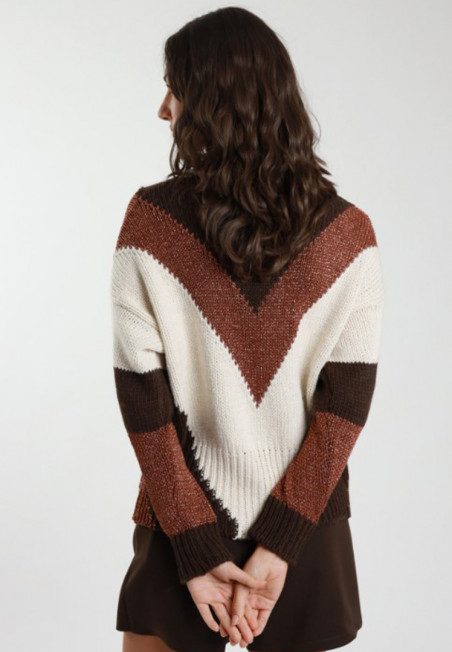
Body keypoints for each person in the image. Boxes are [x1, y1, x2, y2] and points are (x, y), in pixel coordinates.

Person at [111, 6, 385, 652]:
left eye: (175, 90)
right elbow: (344, 408)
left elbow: (144, 401)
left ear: (215, 101)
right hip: (301, 527)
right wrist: (276, 543)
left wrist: (194, 540)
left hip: (189, 519)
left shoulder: (151, 223)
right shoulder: (348, 235)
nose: (163, 110)